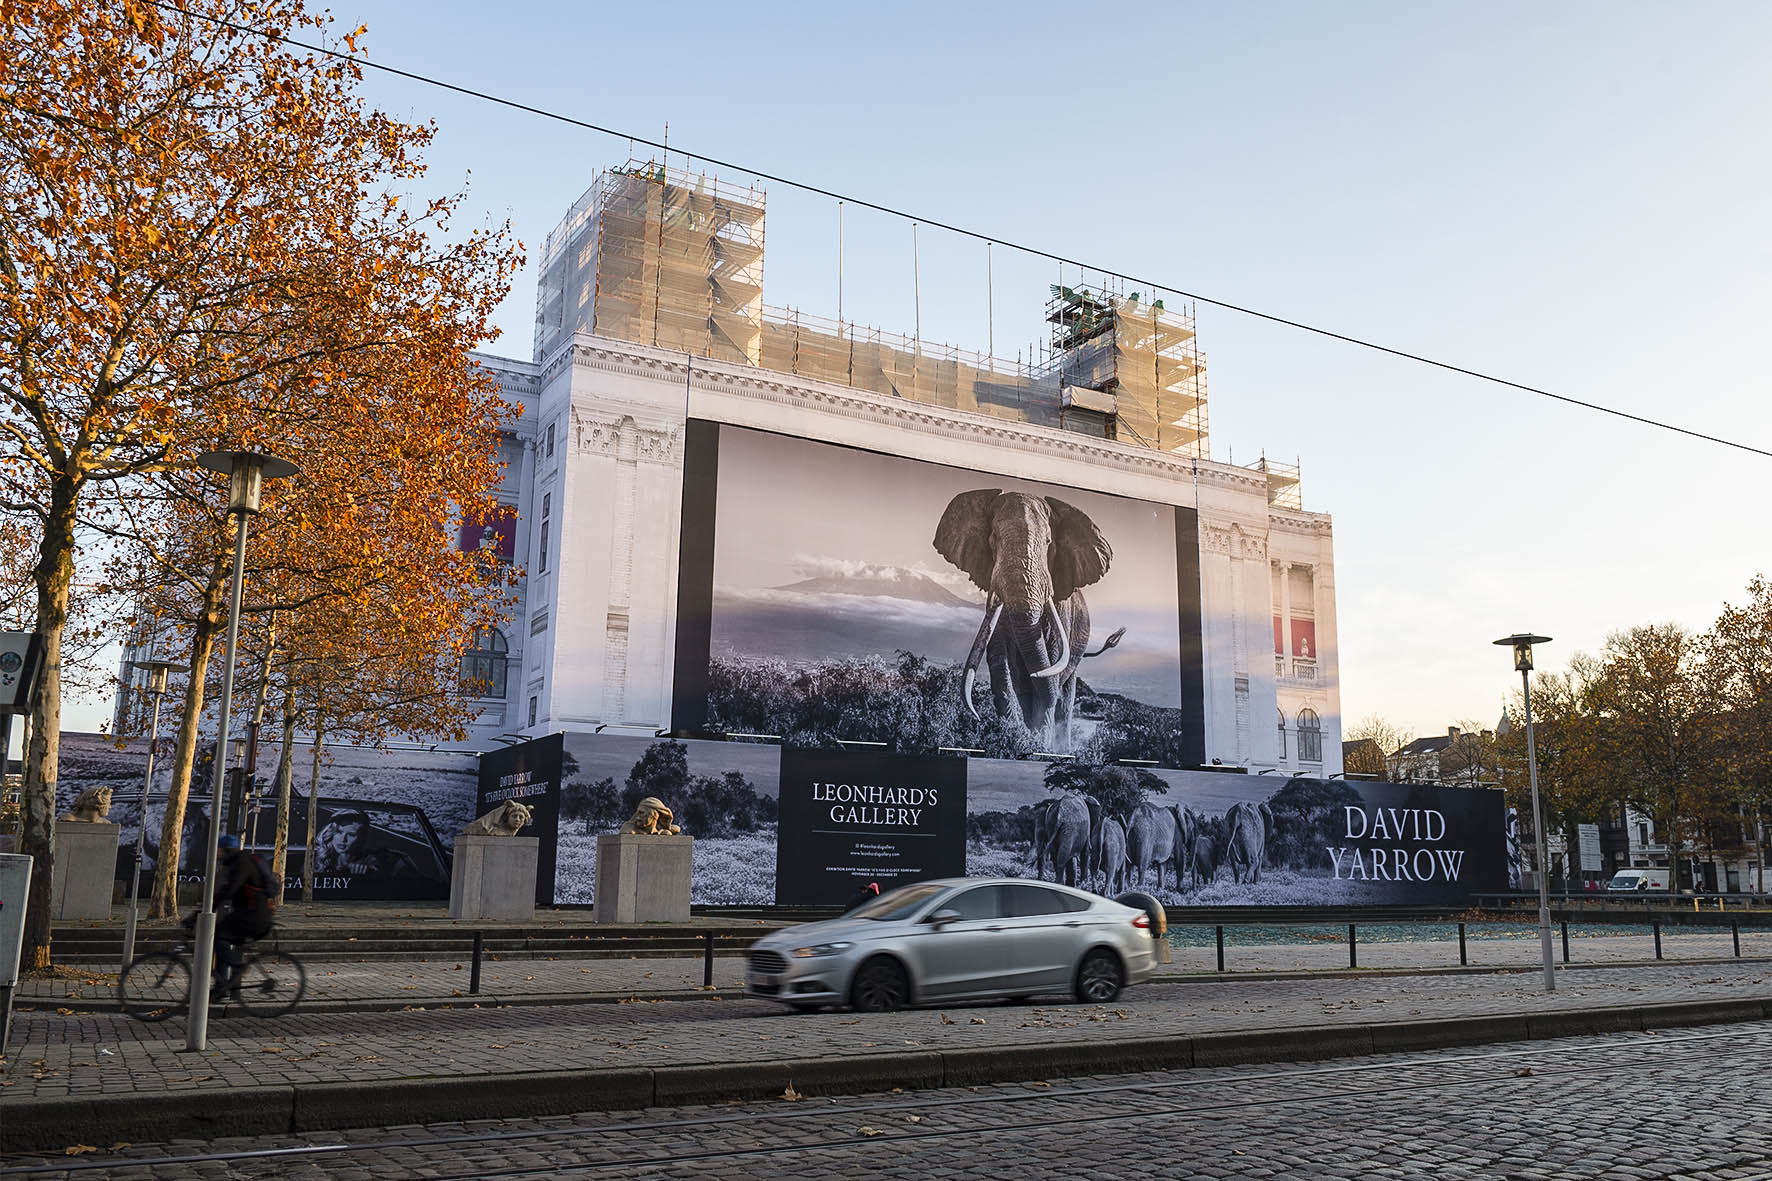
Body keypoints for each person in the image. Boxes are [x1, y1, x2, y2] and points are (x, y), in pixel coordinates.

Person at [192, 833, 276, 998]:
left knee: (218, 936)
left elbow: (229, 890)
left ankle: (237, 967)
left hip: (254, 916)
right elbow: (226, 890)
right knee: (222, 939)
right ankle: (221, 985)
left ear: (228, 851)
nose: (218, 855)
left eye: (220, 851)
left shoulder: (242, 864)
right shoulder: (238, 863)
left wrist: (204, 911)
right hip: (249, 913)